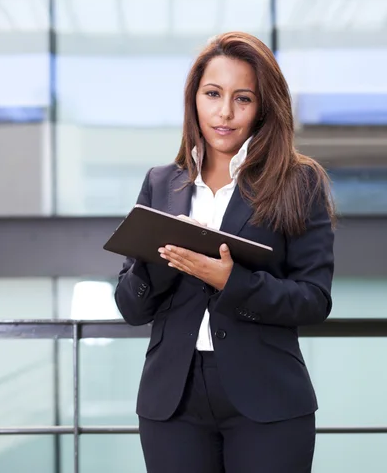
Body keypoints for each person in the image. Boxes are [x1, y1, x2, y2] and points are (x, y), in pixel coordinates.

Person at [114, 31, 336, 473]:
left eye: (243, 98)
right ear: (194, 98)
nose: (225, 112)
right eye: (213, 94)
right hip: (172, 402)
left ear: (263, 108)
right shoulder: (161, 183)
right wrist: (166, 261)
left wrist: (229, 282)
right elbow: (130, 306)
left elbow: (314, 299)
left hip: (267, 399)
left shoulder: (298, 182)